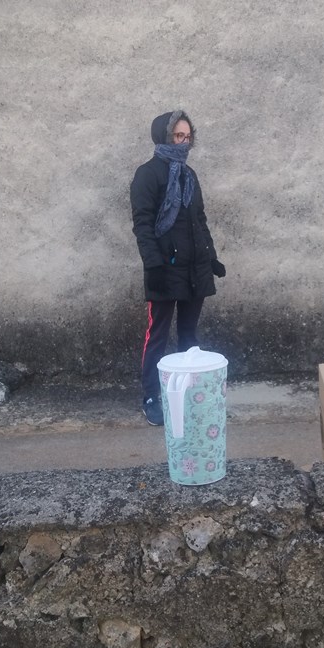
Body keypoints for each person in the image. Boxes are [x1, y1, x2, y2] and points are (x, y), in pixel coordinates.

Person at [130, 109, 225, 426]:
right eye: (177, 136)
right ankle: (151, 396)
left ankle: (190, 394)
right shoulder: (147, 174)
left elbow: (199, 219)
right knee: (157, 335)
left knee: (188, 336)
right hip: (164, 268)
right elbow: (143, 224)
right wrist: (153, 264)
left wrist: (211, 257)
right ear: (164, 136)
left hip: (194, 268)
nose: (183, 142)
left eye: (187, 136)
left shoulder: (189, 174)